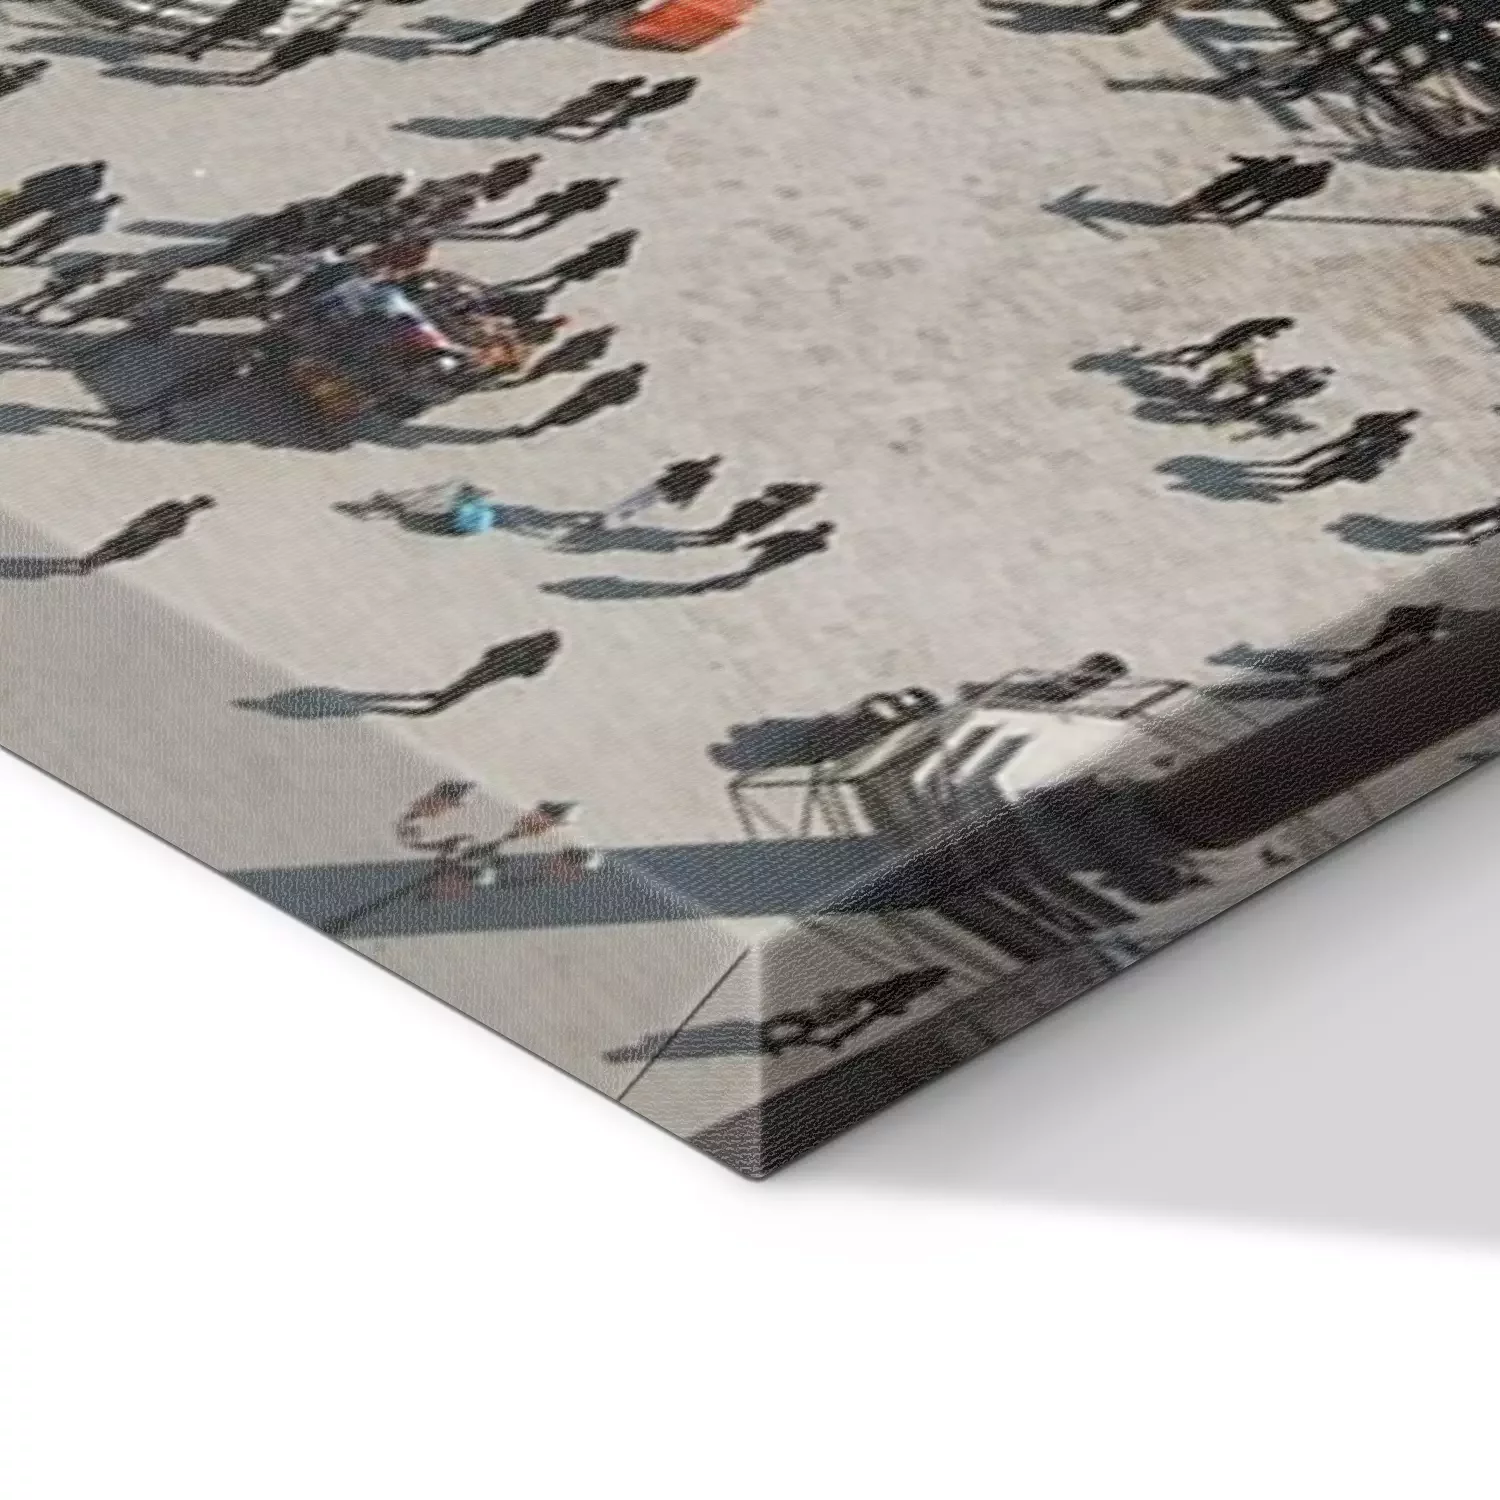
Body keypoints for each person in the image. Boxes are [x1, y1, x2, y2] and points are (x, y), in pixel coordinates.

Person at [374, 631, 564, 716]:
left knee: (468, 684)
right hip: (493, 667)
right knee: (467, 683)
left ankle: (440, 701)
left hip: (494, 669)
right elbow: (528, 670)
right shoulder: (533, 650)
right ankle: (441, 699)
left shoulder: (534, 652)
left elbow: (528, 670)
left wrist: (496, 657)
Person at [75, 496, 218, 574]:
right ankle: (90, 561)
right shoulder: (178, 511)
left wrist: (140, 521)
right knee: (119, 548)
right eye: (198, 505)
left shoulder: (180, 514)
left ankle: (91, 561)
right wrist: (142, 522)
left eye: (198, 506)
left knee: (120, 549)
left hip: (146, 533)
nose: (195, 507)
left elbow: (169, 529)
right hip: (146, 532)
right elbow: (162, 521)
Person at [503, 363, 646, 436]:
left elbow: (594, 381)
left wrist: (587, 391)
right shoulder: (634, 387)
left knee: (559, 411)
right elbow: (624, 401)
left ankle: (534, 427)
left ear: (630, 369)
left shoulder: (615, 374)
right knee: (571, 417)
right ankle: (538, 427)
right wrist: (606, 401)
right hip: (595, 404)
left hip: (585, 396)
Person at [464, 178, 621, 237]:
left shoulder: (591, 183)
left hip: (557, 201)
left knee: (522, 216)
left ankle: (492, 226)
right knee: (545, 224)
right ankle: (524, 233)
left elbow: (570, 186)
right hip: (567, 208)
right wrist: (580, 203)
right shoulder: (602, 196)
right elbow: (591, 208)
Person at [0, 193, 122, 265]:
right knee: (37, 244)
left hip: (60, 226)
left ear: (108, 200)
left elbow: (69, 209)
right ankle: (14, 256)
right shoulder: (103, 215)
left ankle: (12, 254)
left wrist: (56, 218)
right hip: (64, 230)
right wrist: (76, 230)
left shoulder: (93, 204)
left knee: (33, 240)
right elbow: (93, 230)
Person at [234, 15, 357, 83]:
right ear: (341, 32)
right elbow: (327, 53)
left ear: (334, 26)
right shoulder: (333, 42)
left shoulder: (315, 30)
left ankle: (251, 73)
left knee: (271, 62)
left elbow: (297, 35)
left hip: (288, 50)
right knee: (279, 69)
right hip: (300, 57)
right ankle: (258, 80)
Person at [692, 482, 818, 544]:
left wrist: (777, 502)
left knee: (748, 521)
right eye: (808, 489)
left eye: (809, 490)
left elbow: (790, 505)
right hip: (766, 505)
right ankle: (721, 532)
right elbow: (771, 488)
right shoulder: (796, 489)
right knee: (741, 515)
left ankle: (723, 534)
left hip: (772, 510)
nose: (806, 491)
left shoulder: (805, 498)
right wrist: (771, 498)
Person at [0, 160, 107, 231]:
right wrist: (60, 208)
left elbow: (49, 174)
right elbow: (78, 200)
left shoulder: (75, 168)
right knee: (22, 215)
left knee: (10, 206)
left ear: (92, 165)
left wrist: (30, 181)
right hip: (50, 202)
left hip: (38, 191)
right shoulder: (94, 185)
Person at [172, 0, 296, 60]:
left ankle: (193, 49)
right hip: (241, 15)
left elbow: (276, 14)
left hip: (246, 19)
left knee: (218, 35)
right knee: (214, 31)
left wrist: (261, 25)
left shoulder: (282, 4)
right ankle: (185, 45)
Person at [0, 253, 111, 317]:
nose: (102, 269)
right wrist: (58, 280)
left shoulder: (93, 270)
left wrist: (93, 278)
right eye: (102, 265)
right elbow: (64, 272)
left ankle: (30, 310)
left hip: (68, 287)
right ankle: (18, 306)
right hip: (59, 282)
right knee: (42, 295)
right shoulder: (83, 267)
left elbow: (95, 281)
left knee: (47, 298)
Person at [1155, 317, 1295, 368]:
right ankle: (1187, 357)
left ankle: (1189, 358)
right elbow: (1257, 331)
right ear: (1282, 324)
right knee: (1212, 350)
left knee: (1211, 350)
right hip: (1232, 338)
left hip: (1234, 337)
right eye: (1285, 327)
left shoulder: (1266, 323)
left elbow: (1256, 331)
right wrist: (1270, 335)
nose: (1283, 330)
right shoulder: (1267, 324)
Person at [532, 77, 648, 137]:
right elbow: (619, 107)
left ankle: (545, 126)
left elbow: (594, 88)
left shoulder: (614, 85)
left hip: (589, 104)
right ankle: (544, 126)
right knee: (568, 116)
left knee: (566, 115)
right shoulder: (623, 93)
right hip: (593, 106)